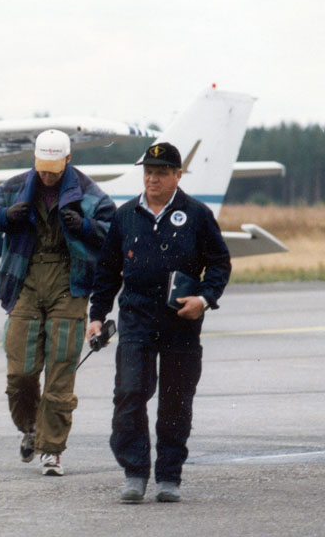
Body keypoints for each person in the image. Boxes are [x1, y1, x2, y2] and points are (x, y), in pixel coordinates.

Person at [86, 142, 231, 503]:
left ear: (177, 176)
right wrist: (96, 316)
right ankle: (135, 472)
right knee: (129, 394)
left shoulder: (197, 215)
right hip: (135, 319)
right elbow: (106, 271)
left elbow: (219, 263)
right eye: (148, 171)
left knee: (175, 401)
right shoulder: (125, 216)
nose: (152, 178)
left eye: (162, 172)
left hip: (180, 322)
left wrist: (204, 299)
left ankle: (169, 476)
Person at [0, 129, 115, 476]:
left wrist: (87, 226)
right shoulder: (16, 187)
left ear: (67, 160)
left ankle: (52, 450)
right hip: (25, 283)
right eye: (42, 168)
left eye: (54, 169)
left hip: (70, 284)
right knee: (20, 374)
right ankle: (31, 429)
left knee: (61, 371)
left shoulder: (89, 192)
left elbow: (115, 230)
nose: (47, 175)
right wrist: (4, 217)